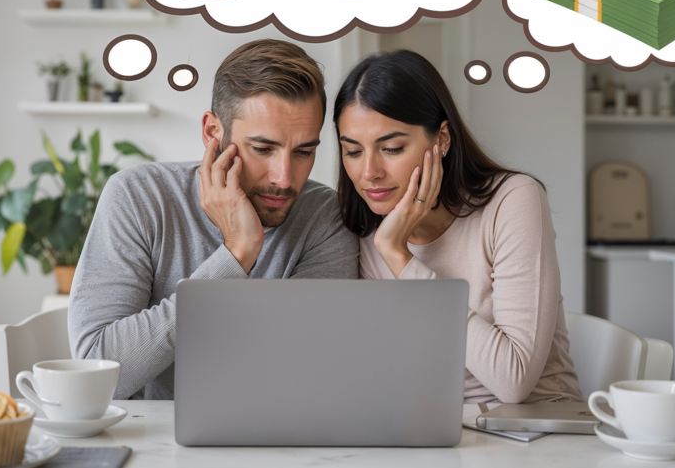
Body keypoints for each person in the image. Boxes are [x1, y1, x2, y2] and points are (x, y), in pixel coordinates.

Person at [69, 39, 359, 400]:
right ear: (212, 133)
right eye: (263, 149)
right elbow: (96, 376)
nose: (284, 178)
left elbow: (310, 375)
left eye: (303, 151)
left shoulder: (325, 217)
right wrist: (236, 255)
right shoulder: (138, 197)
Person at [334, 49, 583, 404]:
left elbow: (513, 381)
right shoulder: (361, 229)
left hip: (536, 432)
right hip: (434, 429)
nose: (369, 172)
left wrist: (398, 256)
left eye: (391, 148)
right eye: (353, 152)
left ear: (442, 140)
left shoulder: (513, 201)